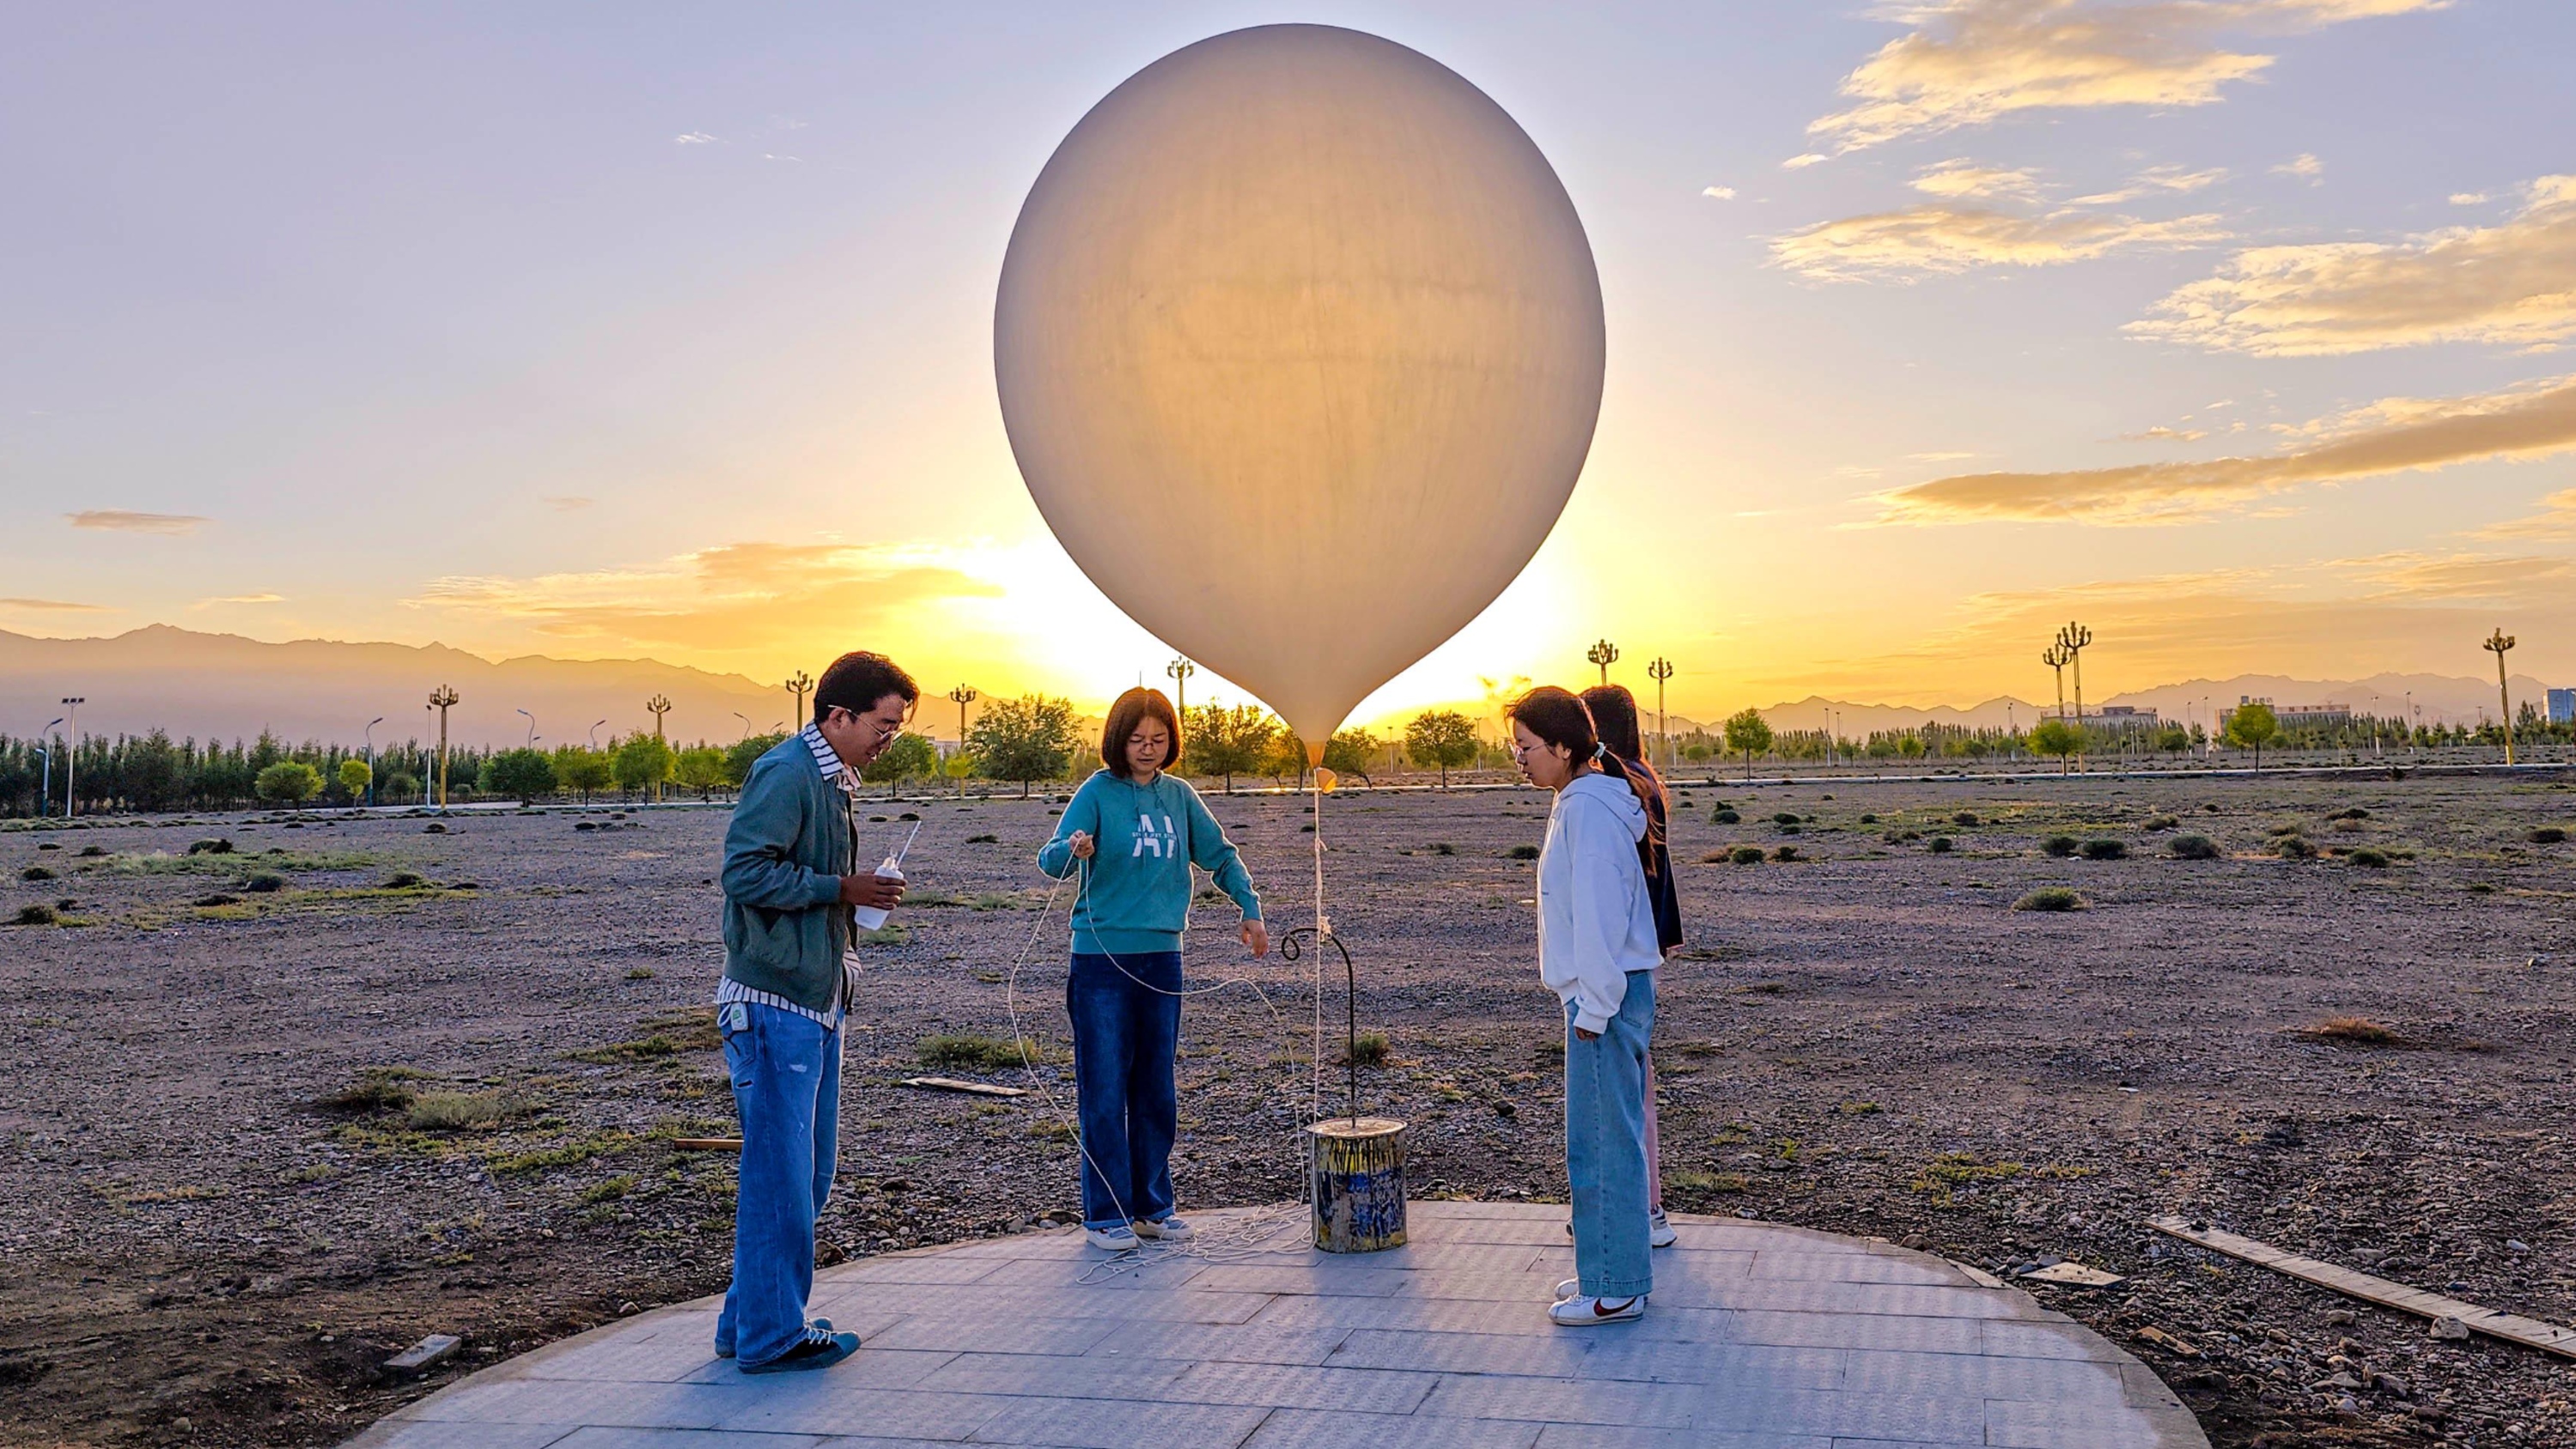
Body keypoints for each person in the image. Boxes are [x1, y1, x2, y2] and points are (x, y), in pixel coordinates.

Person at [713, 651, 916, 1373]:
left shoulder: (833, 782)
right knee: (783, 1176)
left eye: (895, 729)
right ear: (838, 715)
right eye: (883, 726)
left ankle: (751, 1321)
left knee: (804, 1173)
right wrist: (841, 888)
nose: (887, 740)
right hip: (775, 1005)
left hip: (813, 999)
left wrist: (852, 895)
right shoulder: (787, 772)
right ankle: (772, 1336)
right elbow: (743, 871)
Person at [1038, 687, 1267, 1251]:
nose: (1148, 748)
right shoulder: (1096, 791)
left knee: (1155, 1087)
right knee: (1104, 1085)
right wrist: (1075, 846)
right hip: (1100, 958)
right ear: (1117, 740)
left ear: (1171, 741)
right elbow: (1049, 860)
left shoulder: (1180, 796)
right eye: (1137, 739)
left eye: (1159, 739)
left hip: (1162, 956)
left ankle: (1151, 1207)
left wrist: (1250, 907)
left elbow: (1220, 854)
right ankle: (1105, 1215)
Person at [1509, 685, 1660, 1325]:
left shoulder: (1590, 812)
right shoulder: (1580, 801)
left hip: (1604, 998)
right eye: (1513, 747)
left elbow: (1600, 916)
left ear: (1564, 746)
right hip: (1597, 994)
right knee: (1594, 1140)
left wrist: (1593, 1009)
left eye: (1526, 747)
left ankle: (1618, 1285)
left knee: (1603, 1142)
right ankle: (1606, 1266)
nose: (1518, 759)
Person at [1580, 684, 1681, 1251]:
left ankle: (1642, 1210)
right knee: (1631, 1085)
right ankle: (1641, 1206)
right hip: (1641, 948)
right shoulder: (1642, 777)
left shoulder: (1611, 785)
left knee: (1621, 1090)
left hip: (1621, 952)